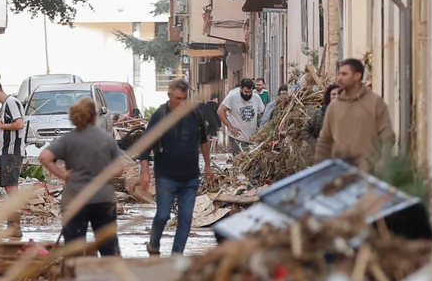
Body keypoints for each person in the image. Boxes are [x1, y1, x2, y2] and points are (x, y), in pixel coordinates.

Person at [38, 96, 122, 256]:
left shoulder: (68, 139)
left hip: (75, 198)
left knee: (73, 248)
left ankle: (73, 271)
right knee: (109, 247)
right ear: (95, 117)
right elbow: (118, 170)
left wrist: (63, 175)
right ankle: (109, 272)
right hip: (103, 199)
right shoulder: (106, 139)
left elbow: (44, 157)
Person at [137, 78, 213, 256]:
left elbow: (203, 140)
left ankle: (176, 256)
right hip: (166, 176)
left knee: (185, 219)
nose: (182, 103)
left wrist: (208, 166)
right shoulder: (160, 115)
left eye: (185, 98)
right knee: (163, 214)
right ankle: (153, 244)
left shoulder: (194, 114)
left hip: (190, 177)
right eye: (178, 99)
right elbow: (145, 145)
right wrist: (145, 172)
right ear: (169, 96)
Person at [315, 58, 396, 172]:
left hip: (369, 171)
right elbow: (324, 140)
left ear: (357, 76)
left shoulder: (375, 103)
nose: (339, 78)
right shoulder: (334, 106)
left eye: (344, 74)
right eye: (339, 74)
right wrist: (318, 168)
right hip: (340, 171)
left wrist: (384, 160)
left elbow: (387, 136)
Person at [0, 77, 27, 238]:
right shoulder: (5, 105)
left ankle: (15, 226)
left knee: (11, 188)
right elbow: (11, 127)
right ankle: (12, 225)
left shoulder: (11, 102)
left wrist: (1, 126)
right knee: (9, 187)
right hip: (6, 150)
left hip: (12, 151)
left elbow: (19, 124)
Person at [218, 78, 263, 153]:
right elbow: (220, 111)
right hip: (237, 136)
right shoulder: (232, 97)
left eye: (250, 92)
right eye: (246, 92)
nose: (248, 94)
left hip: (252, 137)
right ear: (241, 89)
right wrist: (230, 127)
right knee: (240, 158)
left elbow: (262, 113)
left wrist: (261, 128)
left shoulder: (256, 98)